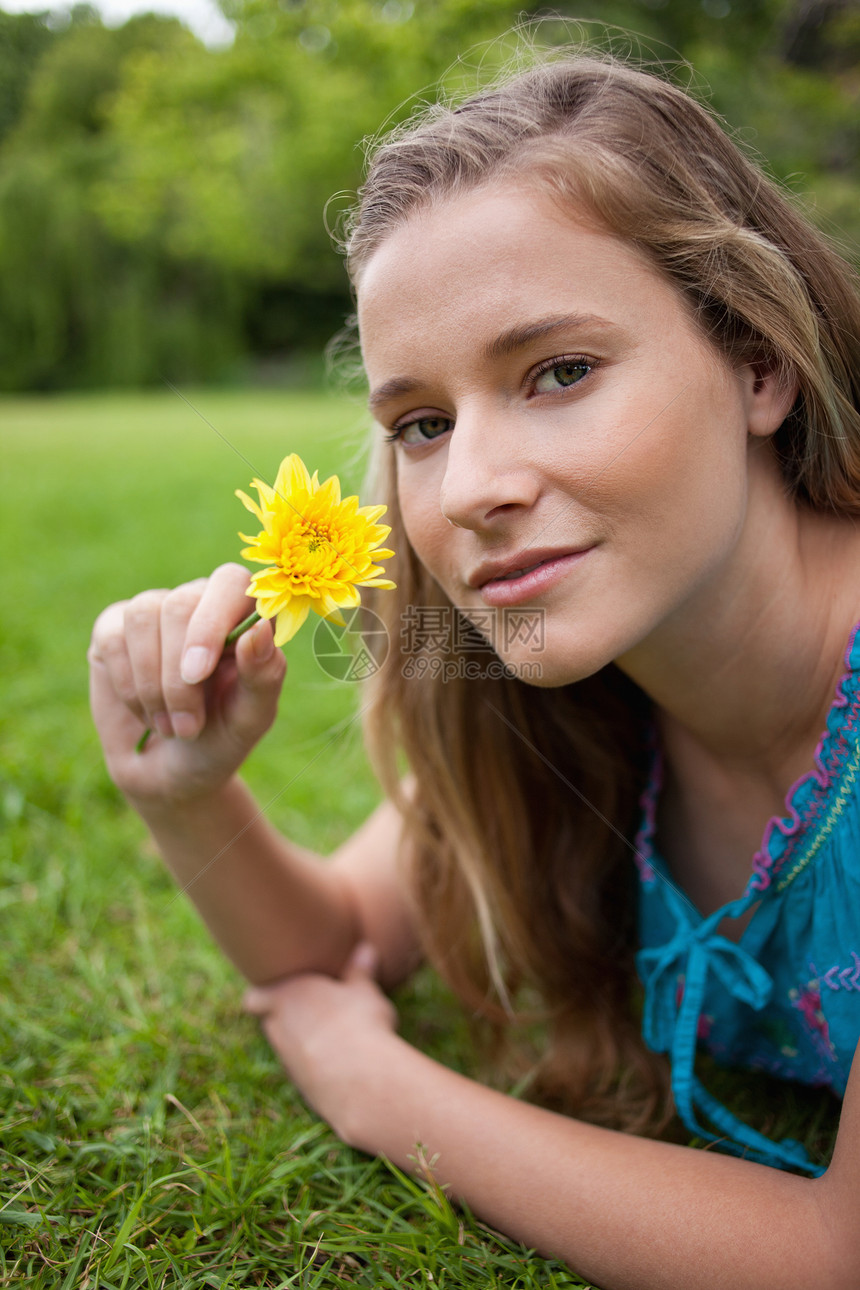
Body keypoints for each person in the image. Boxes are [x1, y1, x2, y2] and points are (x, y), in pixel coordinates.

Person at [89, 49, 860, 1288]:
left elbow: (835, 1252)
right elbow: (332, 941)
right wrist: (183, 795)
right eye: (421, 425)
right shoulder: (585, 694)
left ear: (755, 362)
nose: (470, 490)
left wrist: (375, 1087)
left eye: (558, 372)